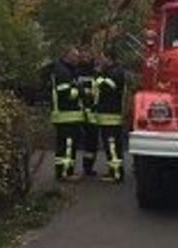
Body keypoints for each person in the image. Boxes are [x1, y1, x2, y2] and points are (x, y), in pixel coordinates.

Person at [91, 50, 128, 182]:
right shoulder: (112, 71)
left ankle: (116, 174)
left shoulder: (116, 72)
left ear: (109, 58)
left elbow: (107, 87)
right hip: (107, 115)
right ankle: (113, 172)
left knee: (112, 146)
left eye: (103, 58)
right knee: (110, 146)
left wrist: (98, 75)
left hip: (111, 116)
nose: (100, 61)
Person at [50, 47, 86, 180]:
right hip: (66, 115)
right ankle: (66, 173)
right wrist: (81, 92)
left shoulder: (67, 70)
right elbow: (66, 94)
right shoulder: (62, 72)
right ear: (67, 56)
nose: (78, 59)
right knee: (67, 145)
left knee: (64, 146)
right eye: (75, 56)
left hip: (68, 115)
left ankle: (62, 172)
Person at [75, 44, 100, 177]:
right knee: (78, 142)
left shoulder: (95, 72)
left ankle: (88, 167)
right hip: (80, 112)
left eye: (88, 56)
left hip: (94, 113)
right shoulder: (76, 71)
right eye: (83, 56)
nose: (86, 58)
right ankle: (74, 168)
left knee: (92, 142)